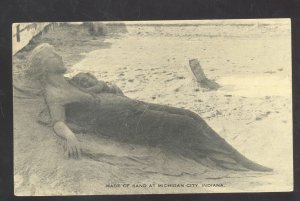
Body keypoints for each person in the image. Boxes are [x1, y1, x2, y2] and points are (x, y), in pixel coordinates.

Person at [17, 43, 272, 172]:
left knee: (191, 115)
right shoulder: (54, 92)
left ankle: (238, 158)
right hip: (126, 123)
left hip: (131, 108)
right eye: (55, 55)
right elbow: (58, 121)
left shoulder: (67, 80)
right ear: (44, 63)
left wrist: (107, 88)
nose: (61, 57)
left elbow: (90, 93)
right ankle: (240, 162)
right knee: (187, 124)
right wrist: (70, 136)